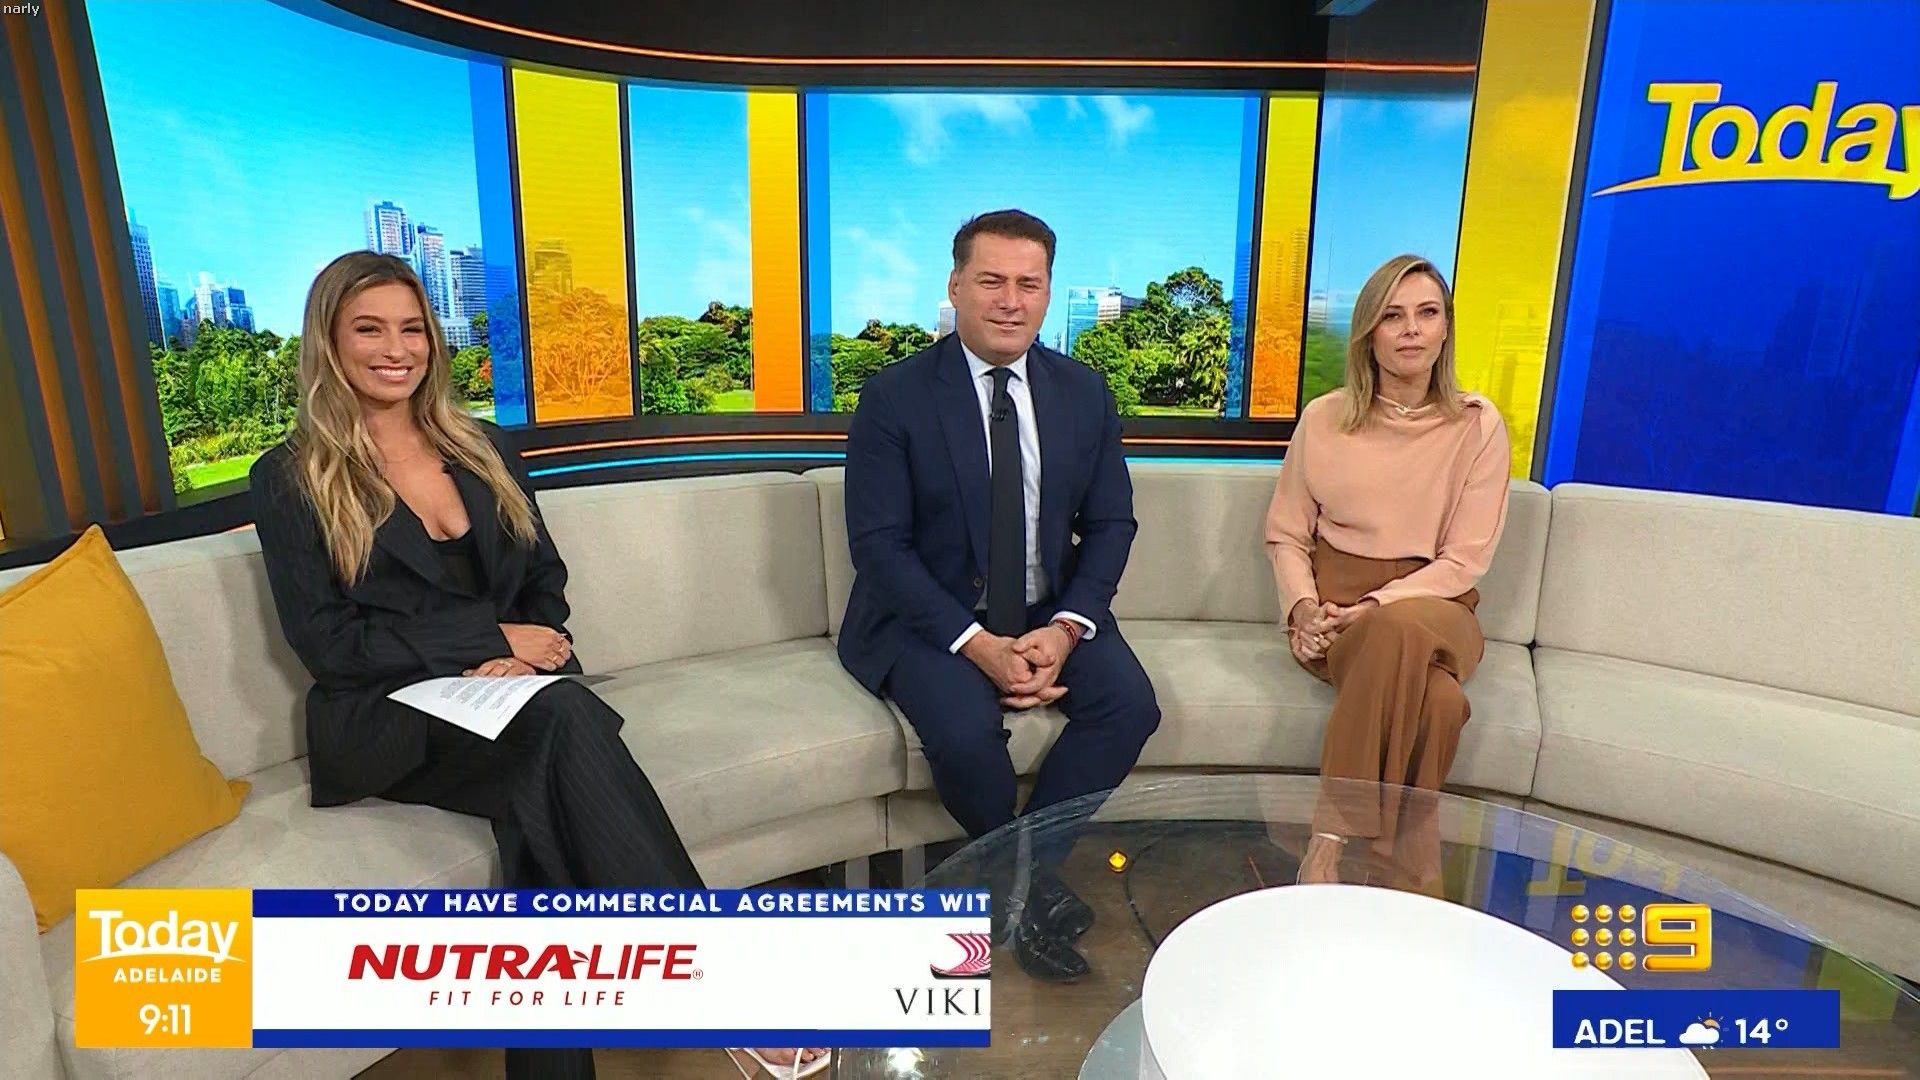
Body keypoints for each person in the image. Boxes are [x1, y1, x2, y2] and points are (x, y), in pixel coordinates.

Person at [249, 252, 826, 1080]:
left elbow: (543, 580)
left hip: (512, 697)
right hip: (386, 717)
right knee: (563, 718)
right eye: (369, 330)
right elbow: (330, 646)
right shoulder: (291, 477)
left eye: (412, 329)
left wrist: (525, 655)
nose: (396, 349)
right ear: (329, 343)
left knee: (539, 806)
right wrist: (489, 640)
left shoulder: (483, 447)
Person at [838, 211, 1162, 983]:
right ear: (956, 287)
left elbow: (1111, 524)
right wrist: (978, 645)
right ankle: (1030, 895)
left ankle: (1011, 880)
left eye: (1029, 283)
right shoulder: (894, 397)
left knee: (1131, 705)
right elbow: (879, 547)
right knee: (963, 731)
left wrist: (1066, 629)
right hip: (927, 618)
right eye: (992, 281)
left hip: (1050, 610)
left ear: (1048, 292)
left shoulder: (1083, 392)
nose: (1011, 301)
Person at [1263, 253, 1511, 888]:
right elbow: (1287, 534)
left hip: (1440, 606)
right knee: (1442, 702)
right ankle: (1407, 871)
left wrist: (1378, 605)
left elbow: (1465, 560)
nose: (1411, 330)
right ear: (1368, 333)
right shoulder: (1324, 418)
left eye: (1427, 313)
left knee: (1396, 627)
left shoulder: (1478, 425)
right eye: (1393, 316)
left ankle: (1327, 840)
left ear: (1446, 328)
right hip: (1334, 609)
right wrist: (1302, 611)